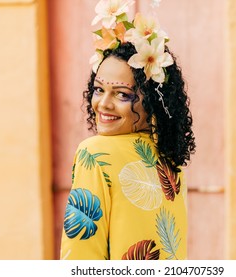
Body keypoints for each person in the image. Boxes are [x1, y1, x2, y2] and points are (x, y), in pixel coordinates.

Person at [60, 0, 195, 260]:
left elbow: (80, 253)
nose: (103, 104)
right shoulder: (170, 160)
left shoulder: (94, 153)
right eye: (99, 89)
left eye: (122, 94)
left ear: (153, 101)